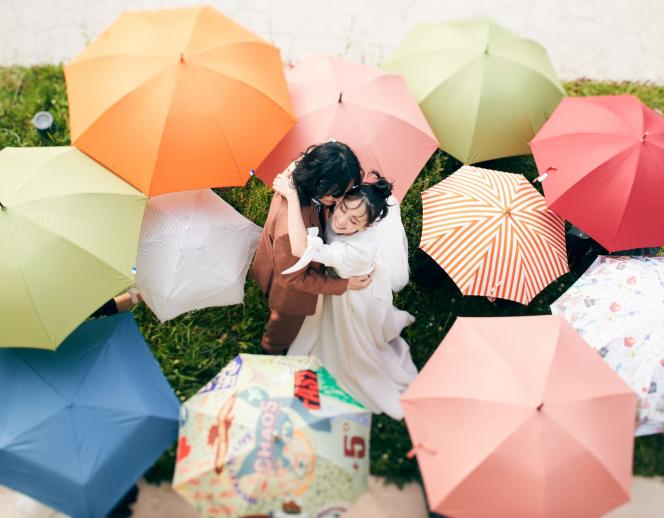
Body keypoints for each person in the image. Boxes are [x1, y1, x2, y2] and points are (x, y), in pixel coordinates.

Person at [273, 170, 417, 419]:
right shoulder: (343, 219)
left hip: (352, 297)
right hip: (343, 285)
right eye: (343, 209)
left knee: (350, 345)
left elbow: (300, 248)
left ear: (367, 226)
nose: (341, 221)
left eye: (354, 221)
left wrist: (292, 196)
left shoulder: (355, 251)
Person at [251, 141, 372, 355]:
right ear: (319, 185)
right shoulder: (290, 231)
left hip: (279, 257)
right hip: (290, 289)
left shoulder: (299, 178)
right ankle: (272, 350)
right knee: (284, 323)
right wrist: (345, 285)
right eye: (337, 195)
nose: (341, 200)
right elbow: (296, 279)